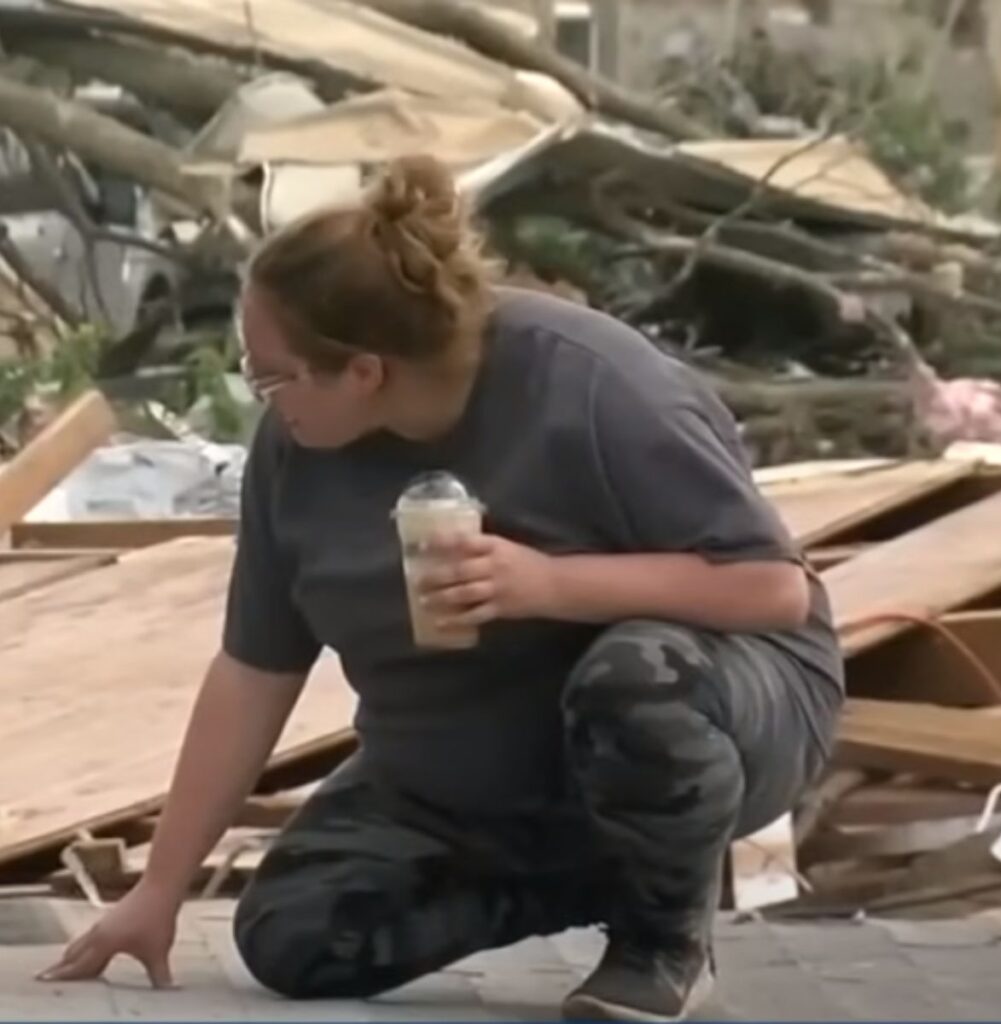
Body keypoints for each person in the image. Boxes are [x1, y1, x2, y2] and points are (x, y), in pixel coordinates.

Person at [40, 154, 843, 1022]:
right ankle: (600, 878)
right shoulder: (294, 451)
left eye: (271, 374)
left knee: (636, 680)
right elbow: (253, 669)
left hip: (718, 700)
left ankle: (662, 943)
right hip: (473, 753)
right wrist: (159, 889)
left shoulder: (593, 384)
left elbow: (771, 589)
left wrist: (550, 584)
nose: (263, 398)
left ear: (363, 371)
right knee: (295, 933)